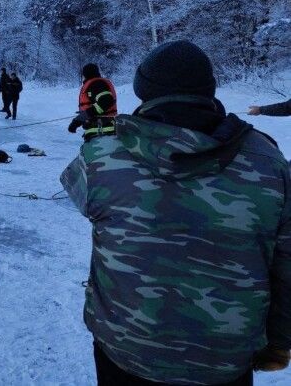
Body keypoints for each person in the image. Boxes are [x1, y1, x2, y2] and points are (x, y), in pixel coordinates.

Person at [60, 40, 291, 385]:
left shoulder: (99, 159)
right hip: (224, 359)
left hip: (125, 350)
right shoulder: (270, 162)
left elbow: (83, 198)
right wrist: (281, 342)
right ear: (208, 89)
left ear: (143, 89)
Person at [68, 63, 118, 141]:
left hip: (104, 133)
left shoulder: (97, 84)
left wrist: (79, 119)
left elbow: (106, 102)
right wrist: (80, 119)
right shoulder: (95, 84)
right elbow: (94, 108)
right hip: (99, 133)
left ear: (85, 74)